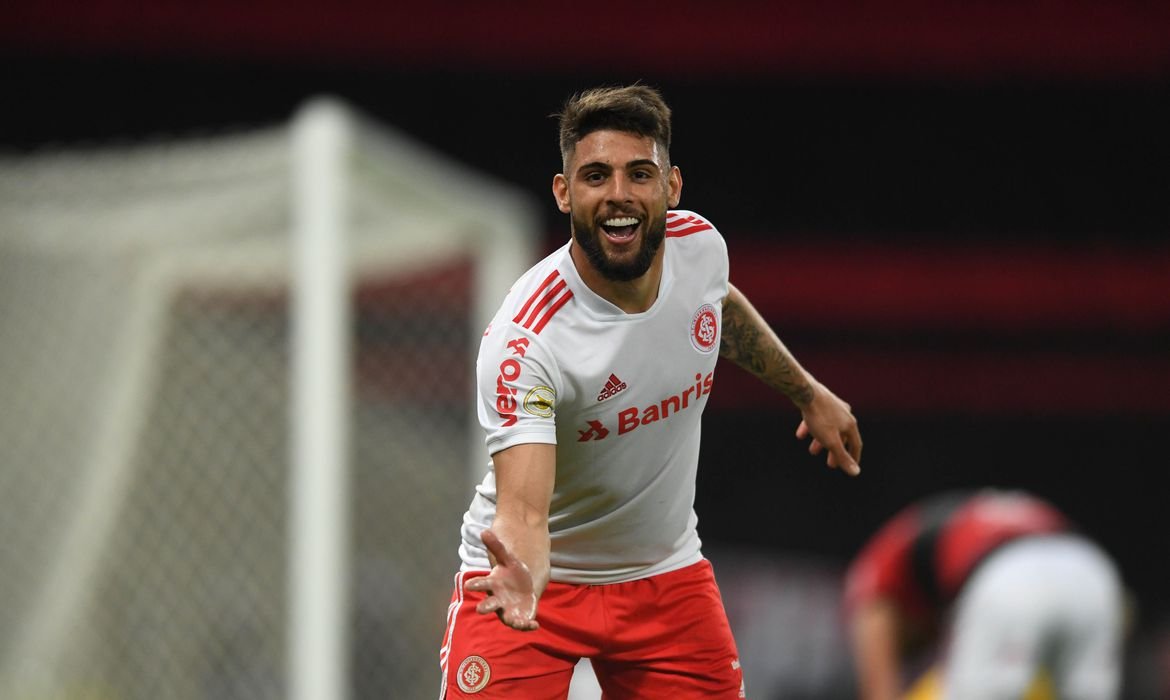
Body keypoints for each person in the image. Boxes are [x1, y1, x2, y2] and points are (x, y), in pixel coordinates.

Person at [438, 84, 862, 699]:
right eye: (596, 176)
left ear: (672, 186)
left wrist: (807, 392)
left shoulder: (700, 248)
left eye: (640, 174)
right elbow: (523, 510)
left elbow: (717, 305)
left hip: (664, 578)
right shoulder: (526, 342)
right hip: (535, 583)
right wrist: (524, 573)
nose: (619, 194)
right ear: (564, 192)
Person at [843, 488, 1126, 700]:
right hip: (1091, 570)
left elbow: (879, 682)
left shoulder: (876, 565)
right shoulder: (961, 518)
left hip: (1009, 575)